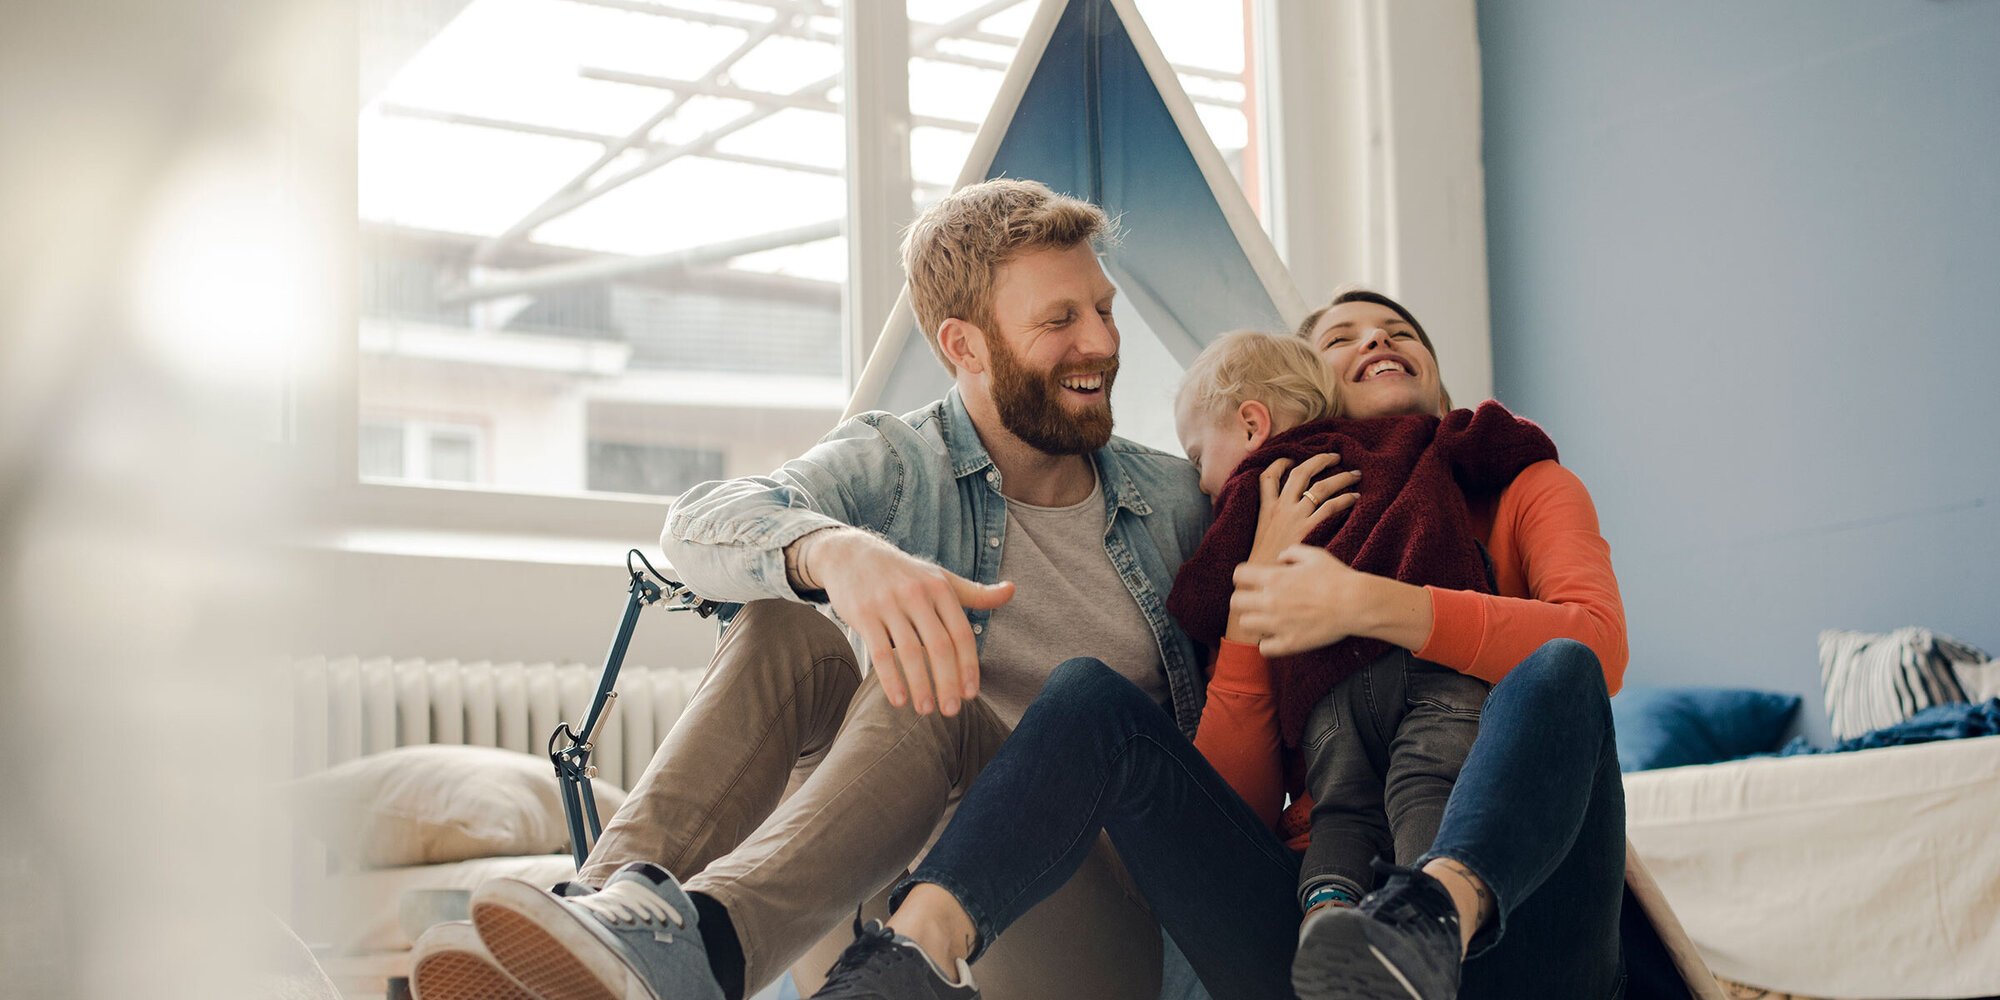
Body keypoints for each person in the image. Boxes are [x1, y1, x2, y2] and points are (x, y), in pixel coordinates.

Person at [407, 178, 1217, 1000]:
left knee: (924, 689)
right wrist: (833, 553)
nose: (1102, 343)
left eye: (1103, 309)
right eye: (1060, 320)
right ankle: (603, 916)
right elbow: (698, 525)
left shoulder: (1174, 505)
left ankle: (710, 953)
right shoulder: (902, 465)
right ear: (964, 347)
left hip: (1094, 924)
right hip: (894, 905)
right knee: (785, 633)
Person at [809, 289, 1632, 1000]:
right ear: (1303, 405)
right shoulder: (1274, 529)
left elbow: (1599, 645)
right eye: (1340, 340)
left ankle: (1428, 916)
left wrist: (1370, 602)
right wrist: (1253, 596)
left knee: (1558, 665)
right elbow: (1236, 801)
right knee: (1089, 696)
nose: (1375, 340)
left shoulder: (1520, 483)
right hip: (1320, 938)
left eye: (1397, 331)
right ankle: (912, 949)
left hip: (1515, 924)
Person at [1163, 330, 1556, 927]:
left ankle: (1326, 915)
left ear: (1252, 425)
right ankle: (1422, 916)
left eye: (1197, 458)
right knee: (1429, 786)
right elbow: (1496, 436)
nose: (1199, 482)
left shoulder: (1256, 486)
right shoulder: (1415, 437)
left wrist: (1218, 599)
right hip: (1434, 671)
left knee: (1343, 814)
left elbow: (1200, 597)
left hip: (1329, 690)